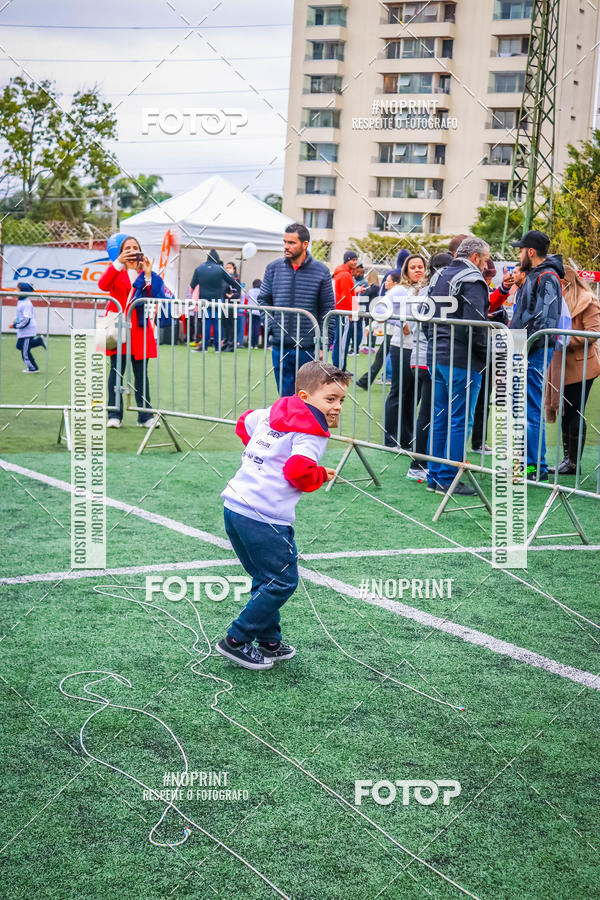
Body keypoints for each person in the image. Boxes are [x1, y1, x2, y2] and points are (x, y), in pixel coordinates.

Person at [216, 362, 350, 670]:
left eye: (341, 400)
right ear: (305, 396)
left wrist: (261, 459)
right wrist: (320, 475)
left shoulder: (271, 412)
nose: (337, 407)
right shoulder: (313, 434)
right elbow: (297, 472)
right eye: (330, 399)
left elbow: (243, 423)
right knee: (282, 581)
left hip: (235, 506)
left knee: (265, 578)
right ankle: (236, 640)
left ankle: (269, 640)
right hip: (264, 516)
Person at [425, 237, 491, 495]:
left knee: (440, 417)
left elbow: (426, 315)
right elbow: (474, 326)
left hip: (437, 354)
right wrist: (485, 355)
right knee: (458, 420)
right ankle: (448, 477)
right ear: (475, 257)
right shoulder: (472, 279)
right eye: (485, 260)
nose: (485, 266)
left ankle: (436, 475)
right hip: (461, 359)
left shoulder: (438, 276)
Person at [510, 230, 563, 481]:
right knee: (525, 408)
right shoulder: (537, 275)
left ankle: (533, 468)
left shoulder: (547, 276)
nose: (519, 254)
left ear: (530, 252)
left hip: (534, 349)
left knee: (530, 409)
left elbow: (544, 320)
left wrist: (523, 345)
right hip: (528, 348)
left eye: (521, 250)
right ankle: (530, 466)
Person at [258, 223, 335, 397]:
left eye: (292, 242)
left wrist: (324, 344)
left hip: (309, 348)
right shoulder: (273, 268)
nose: (286, 246)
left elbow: (328, 310)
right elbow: (263, 300)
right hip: (281, 346)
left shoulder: (321, 271)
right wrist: (271, 325)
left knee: (307, 398)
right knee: (285, 398)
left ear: (305, 244)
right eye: (285, 242)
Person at [98, 234, 163, 428]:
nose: (132, 250)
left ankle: (145, 416)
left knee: (141, 373)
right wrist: (118, 263)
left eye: (135, 247)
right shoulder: (116, 270)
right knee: (116, 371)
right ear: (121, 252)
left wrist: (149, 273)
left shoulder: (145, 272)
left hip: (140, 330)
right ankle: (114, 414)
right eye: (128, 248)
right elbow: (103, 285)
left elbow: (156, 292)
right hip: (119, 328)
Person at [546, 266, 600, 474]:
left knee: (574, 411)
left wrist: (563, 339)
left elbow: (594, 334)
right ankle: (568, 458)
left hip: (582, 365)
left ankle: (573, 462)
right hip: (562, 365)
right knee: (566, 411)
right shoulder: (561, 299)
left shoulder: (588, 300)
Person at [406, 252, 453, 481]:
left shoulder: (422, 291)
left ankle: (423, 461)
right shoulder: (434, 292)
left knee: (428, 412)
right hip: (428, 357)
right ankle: (419, 463)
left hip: (422, 357)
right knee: (428, 414)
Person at [384, 255, 427, 449]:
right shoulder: (400, 290)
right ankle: (390, 439)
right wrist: (401, 324)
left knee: (413, 395)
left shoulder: (427, 290)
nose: (417, 270)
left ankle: (407, 439)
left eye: (420, 267)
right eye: (413, 267)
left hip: (419, 350)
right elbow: (379, 308)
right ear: (406, 271)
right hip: (401, 347)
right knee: (398, 392)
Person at [356, 272, 400, 389]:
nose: (385, 282)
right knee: (380, 359)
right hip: (391, 333)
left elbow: (384, 316)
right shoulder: (390, 296)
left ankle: (365, 381)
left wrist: (370, 327)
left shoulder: (394, 297)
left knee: (382, 359)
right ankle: (365, 381)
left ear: (395, 283)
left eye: (388, 281)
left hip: (394, 333)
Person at [189, 249, 239, 351]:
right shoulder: (220, 269)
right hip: (216, 300)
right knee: (217, 323)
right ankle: (217, 348)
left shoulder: (199, 269)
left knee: (206, 322)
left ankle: (205, 347)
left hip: (204, 300)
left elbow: (193, 285)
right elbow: (232, 282)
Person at [9, 281, 46, 373]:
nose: (15, 290)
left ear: (23, 291)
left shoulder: (26, 304)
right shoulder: (21, 301)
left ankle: (33, 368)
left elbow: (26, 320)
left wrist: (15, 326)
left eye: (18, 289)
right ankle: (39, 341)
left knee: (24, 351)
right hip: (23, 330)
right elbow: (20, 315)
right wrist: (16, 320)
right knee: (19, 346)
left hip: (28, 330)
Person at [332, 250, 360, 369]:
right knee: (342, 342)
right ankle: (340, 368)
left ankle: (339, 367)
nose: (355, 262)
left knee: (340, 341)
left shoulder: (343, 273)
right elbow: (345, 296)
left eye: (355, 260)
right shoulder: (345, 275)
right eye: (353, 260)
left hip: (342, 312)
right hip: (344, 313)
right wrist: (351, 313)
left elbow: (348, 294)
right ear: (347, 260)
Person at [224, 261, 242, 351]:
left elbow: (238, 293)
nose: (228, 269)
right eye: (226, 268)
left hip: (233, 304)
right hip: (225, 304)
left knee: (231, 325)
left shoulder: (236, 279)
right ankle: (226, 342)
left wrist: (232, 296)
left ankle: (231, 345)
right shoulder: (224, 278)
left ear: (234, 269)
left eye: (229, 267)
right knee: (226, 325)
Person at [245, 278, 263, 348]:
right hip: (258, 312)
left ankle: (251, 344)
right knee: (257, 328)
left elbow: (246, 298)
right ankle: (255, 344)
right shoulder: (262, 291)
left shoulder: (250, 291)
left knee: (251, 328)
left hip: (251, 311)